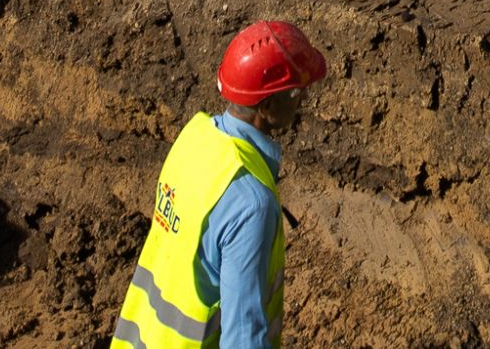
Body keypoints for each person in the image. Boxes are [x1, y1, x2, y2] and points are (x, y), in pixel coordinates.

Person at [109, 20, 328, 349]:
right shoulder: (252, 203)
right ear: (266, 107)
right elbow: (243, 336)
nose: (304, 98)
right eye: (296, 91)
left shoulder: (194, 139)